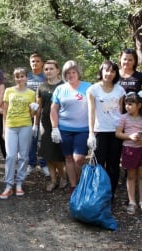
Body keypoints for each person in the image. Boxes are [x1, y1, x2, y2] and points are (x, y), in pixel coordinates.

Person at [50, 60, 91, 194]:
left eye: (73, 72)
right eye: (68, 73)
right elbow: (54, 109)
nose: (71, 75)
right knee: (68, 158)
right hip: (65, 129)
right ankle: (73, 186)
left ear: (78, 73)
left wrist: (94, 131)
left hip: (83, 129)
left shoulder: (88, 87)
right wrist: (55, 128)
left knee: (78, 159)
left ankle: (80, 183)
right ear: (64, 75)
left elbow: (95, 109)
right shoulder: (60, 89)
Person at [86, 60, 125, 200]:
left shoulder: (120, 90)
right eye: (106, 70)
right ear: (101, 71)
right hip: (99, 131)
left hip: (115, 131)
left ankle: (110, 194)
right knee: (98, 164)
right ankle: (97, 193)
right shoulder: (93, 89)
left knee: (113, 164)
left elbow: (121, 112)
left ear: (116, 73)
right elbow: (91, 112)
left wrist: (122, 130)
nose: (109, 74)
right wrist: (91, 133)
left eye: (113, 71)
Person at [0, 68, 38, 199]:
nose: (20, 78)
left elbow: (32, 114)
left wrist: (34, 110)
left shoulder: (32, 93)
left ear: (26, 78)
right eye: (17, 76)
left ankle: (19, 183)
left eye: (22, 76)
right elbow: (4, 112)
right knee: (10, 156)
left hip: (25, 125)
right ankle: (9, 185)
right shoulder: (9, 91)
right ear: (14, 78)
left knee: (23, 156)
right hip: (11, 126)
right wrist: (4, 129)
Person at [118, 48, 142, 187]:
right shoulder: (115, 76)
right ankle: (121, 175)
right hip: (119, 117)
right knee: (121, 145)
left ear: (135, 61)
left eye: (130, 59)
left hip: (136, 118)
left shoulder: (139, 77)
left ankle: (130, 175)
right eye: (125, 58)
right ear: (120, 59)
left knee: (135, 144)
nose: (127, 62)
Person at [115, 91, 142, 214]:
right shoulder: (123, 118)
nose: (128, 106)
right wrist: (130, 137)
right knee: (131, 176)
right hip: (129, 149)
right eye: (126, 104)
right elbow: (118, 133)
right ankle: (132, 202)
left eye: (131, 104)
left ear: (139, 105)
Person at [36, 60, 67, 192]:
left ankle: (63, 177)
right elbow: (38, 107)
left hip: (61, 124)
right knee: (47, 154)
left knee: (57, 154)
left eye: (51, 69)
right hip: (45, 124)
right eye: (46, 69)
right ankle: (53, 180)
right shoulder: (41, 87)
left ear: (57, 70)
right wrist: (35, 124)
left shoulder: (64, 86)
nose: (48, 71)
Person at [26, 53, 49, 177]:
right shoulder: (27, 77)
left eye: (37, 61)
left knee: (43, 139)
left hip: (44, 112)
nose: (35, 63)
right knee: (31, 139)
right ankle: (31, 163)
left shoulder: (46, 77)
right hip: (29, 113)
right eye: (33, 61)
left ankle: (44, 164)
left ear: (42, 63)